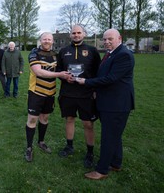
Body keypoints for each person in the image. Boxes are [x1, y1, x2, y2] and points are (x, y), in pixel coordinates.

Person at [75, 29, 135, 180]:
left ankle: (101, 171)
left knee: (108, 137)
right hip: (108, 102)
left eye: (110, 39)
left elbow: (110, 79)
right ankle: (116, 163)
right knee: (115, 135)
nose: (107, 42)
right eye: (105, 39)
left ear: (119, 38)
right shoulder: (111, 53)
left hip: (116, 104)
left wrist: (86, 82)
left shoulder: (124, 55)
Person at [56, 25, 101, 168]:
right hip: (68, 93)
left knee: (88, 124)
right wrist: (64, 78)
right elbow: (58, 71)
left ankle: (90, 152)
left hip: (86, 94)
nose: (76, 35)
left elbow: (98, 73)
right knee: (69, 119)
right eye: (73, 33)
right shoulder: (63, 51)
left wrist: (94, 89)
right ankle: (69, 146)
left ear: (84, 34)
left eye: (79, 32)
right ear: (70, 35)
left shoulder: (93, 51)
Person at [24, 32, 71, 162]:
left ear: (52, 41)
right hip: (36, 92)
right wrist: (59, 75)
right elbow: (38, 71)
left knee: (44, 118)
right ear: (40, 40)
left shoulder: (56, 55)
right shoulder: (34, 53)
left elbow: (64, 69)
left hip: (50, 93)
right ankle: (29, 148)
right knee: (33, 119)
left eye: (49, 39)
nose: (47, 41)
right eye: (44, 39)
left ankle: (41, 141)